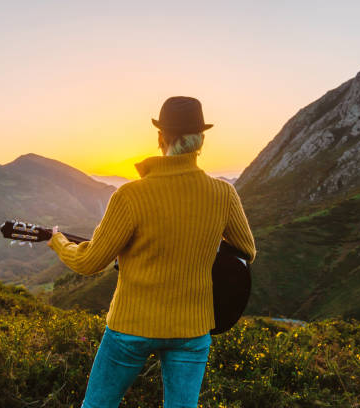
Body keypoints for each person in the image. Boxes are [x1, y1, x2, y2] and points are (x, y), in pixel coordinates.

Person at [47, 96, 257, 408]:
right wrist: (196, 246)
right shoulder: (222, 193)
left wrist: (58, 242)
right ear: (200, 142)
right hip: (192, 329)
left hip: (131, 326)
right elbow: (246, 250)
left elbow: (90, 262)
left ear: (161, 138)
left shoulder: (131, 194)